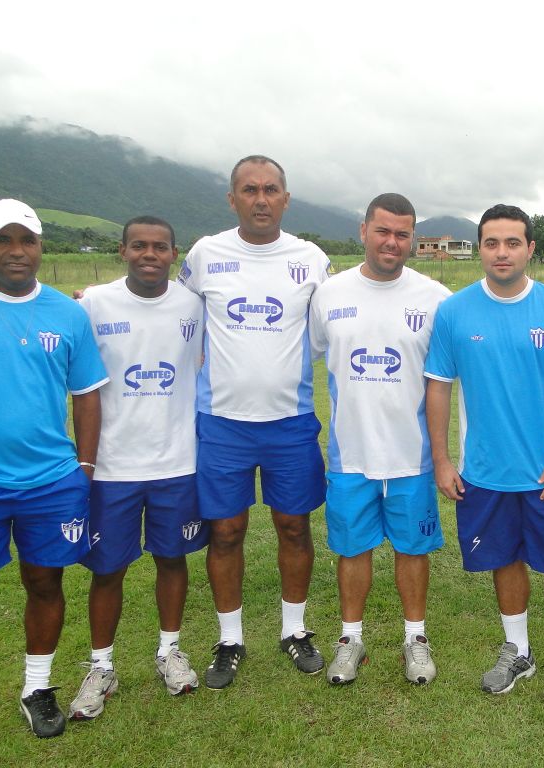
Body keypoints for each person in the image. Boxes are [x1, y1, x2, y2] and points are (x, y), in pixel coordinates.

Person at [0, 199, 107, 765]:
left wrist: (84, 468)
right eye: (2, 240)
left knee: (45, 584)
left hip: (52, 481)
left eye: (26, 241)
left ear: (39, 247)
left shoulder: (68, 314)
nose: (16, 251)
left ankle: (38, 688)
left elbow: (86, 396)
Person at [425, 204, 544, 711]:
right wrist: (441, 459)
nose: (502, 252)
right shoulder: (454, 311)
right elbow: (438, 387)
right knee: (506, 559)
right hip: (485, 472)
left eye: (512, 243)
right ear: (480, 248)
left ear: (530, 248)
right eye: (492, 243)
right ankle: (518, 650)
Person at [177, 156, 331, 687]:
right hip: (221, 423)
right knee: (225, 531)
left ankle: (295, 629)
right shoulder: (205, 254)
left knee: (293, 525)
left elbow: (329, 325)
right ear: (232, 199)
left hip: (289, 421)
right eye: (249, 190)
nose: (260, 199)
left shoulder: (311, 258)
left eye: (270, 190)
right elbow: (172, 310)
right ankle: (229, 638)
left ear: (286, 199)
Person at [67, 217, 208, 721]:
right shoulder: (92, 304)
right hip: (110, 466)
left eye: (161, 247)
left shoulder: (195, 305)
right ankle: (101, 666)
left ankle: (169, 650)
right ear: (123, 250)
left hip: (177, 462)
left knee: (173, 559)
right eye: (139, 246)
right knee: (108, 569)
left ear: (175, 254)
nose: (150, 254)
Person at [309, 193, 450, 686]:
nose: (393, 242)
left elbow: (447, 379)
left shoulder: (435, 298)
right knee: (353, 549)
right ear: (363, 230)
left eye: (403, 233)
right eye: (383, 231)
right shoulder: (329, 294)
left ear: (413, 238)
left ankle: (415, 638)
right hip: (351, 453)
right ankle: (351, 638)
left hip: (411, 454)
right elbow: (314, 358)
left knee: (413, 549)